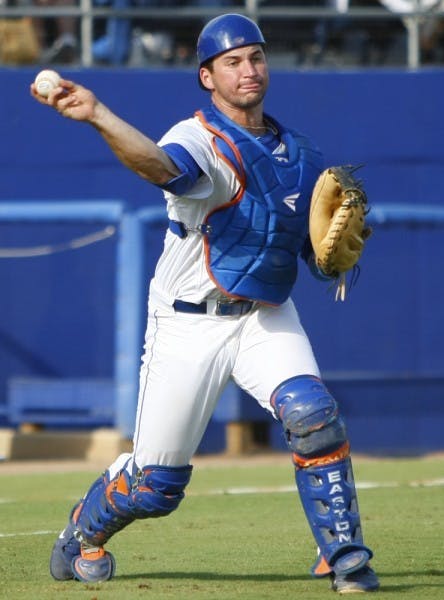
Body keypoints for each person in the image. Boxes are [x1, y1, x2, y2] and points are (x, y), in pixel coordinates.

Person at [30, 13, 379, 594]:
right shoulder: (197, 138)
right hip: (189, 321)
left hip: (264, 316)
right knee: (154, 487)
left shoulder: (303, 154)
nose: (248, 70)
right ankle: (82, 532)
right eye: (232, 61)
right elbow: (160, 167)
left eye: (256, 57)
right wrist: (97, 116)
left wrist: (330, 260)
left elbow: (308, 253)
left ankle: (346, 559)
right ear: (207, 77)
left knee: (314, 417)